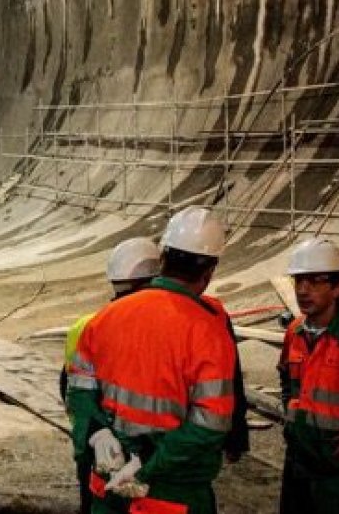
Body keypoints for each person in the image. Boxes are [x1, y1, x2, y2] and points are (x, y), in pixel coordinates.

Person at [68, 207, 236, 514]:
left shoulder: (106, 317)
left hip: (108, 486)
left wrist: (97, 432)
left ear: (163, 258)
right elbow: (211, 425)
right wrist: (147, 464)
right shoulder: (208, 330)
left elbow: (78, 388)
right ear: (209, 270)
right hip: (170, 494)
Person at [61, 237, 161, 514]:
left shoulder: (88, 325)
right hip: (143, 461)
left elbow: (71, 390)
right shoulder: (164, 330)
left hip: (100, 454)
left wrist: (93, 436)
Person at [277, 238, 339, 514]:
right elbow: (287, 378)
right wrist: (290, 416)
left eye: (314, 282)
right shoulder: (294, 332)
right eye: (298, 281)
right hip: (299, 460)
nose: (302, 290)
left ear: (337, 288)